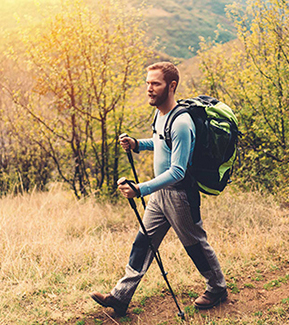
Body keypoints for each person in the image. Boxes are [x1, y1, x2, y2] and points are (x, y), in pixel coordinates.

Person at [90, 62, 227, 316]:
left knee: (195, 244)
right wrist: (137, 144)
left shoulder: (182, 123)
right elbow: (160, 143)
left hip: (180, 196)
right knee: (143, 243)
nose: (149, 89)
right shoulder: (160, 115)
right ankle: (120, 297)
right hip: (159, 194)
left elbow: (178, 170)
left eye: (155, 84)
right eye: (147, 83)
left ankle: (217, 287)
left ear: (171, 86)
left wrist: (141, 189)